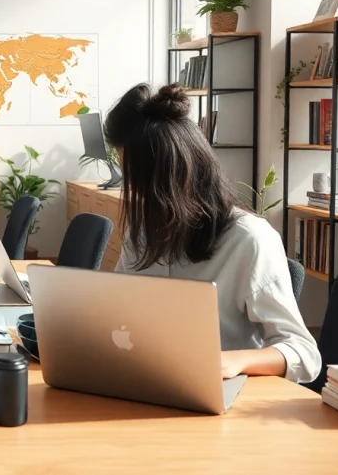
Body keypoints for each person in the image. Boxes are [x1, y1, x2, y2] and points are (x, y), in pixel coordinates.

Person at [104, 83, 321, 383]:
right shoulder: (143, 233)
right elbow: (116, 310)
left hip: (221, 401)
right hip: (148, 383)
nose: (133, 191)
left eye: (133, 179)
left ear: (163, 181)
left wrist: (233, 362)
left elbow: (305, 355)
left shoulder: (249, 239)